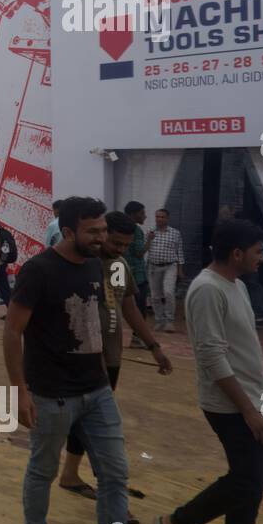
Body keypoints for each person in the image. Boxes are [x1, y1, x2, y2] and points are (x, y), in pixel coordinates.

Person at [3, 196, 134, 524]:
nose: (101, 237)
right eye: (93, 231)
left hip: (96, 392)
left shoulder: (96, 265)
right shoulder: (39, 270)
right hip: (51, 394)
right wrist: (20, 392)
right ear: (69, 230)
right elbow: (12, 331)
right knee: (42, 471)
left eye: (103, 230)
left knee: (116, 474)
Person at [156, 220, 263, 524]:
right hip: (230, 404)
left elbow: (243, 350)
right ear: (237, 253)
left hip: (256, 397)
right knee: (246, 481)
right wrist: (250, 411)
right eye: (258, 252)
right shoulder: (208, 290)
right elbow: (212, 356)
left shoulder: (234, 284)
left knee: (253, 483)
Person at [58, 211, 171, 503]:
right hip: (83, 357)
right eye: (116, 242)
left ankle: (70, 474)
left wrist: (153, 346)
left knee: (88, 421)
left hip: (110, 357)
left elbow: (129, 308)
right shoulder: (82, 264)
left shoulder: (119, 266)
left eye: (125, 245)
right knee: (100, 424)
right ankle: (113, 493)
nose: (120, 249)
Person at [146, 208, 184, 333]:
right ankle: (159, 320)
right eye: (157, 216)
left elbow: (180, 253)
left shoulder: (175, 233)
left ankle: (169, 321)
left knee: (168, 292)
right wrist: (149, 239)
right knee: (155, 296)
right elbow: (144, 249)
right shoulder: (150, 232)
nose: (159, 219)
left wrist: (180, 270)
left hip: (170, 266)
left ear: (167, 218)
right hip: (153, 267)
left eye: (162, 217)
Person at [122, 201, 151, 346]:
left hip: (121, 271)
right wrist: (150, 241)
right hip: (136, 275)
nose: (145, 216)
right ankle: (138, 338)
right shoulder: (136, 230)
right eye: (142, 213)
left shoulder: (119, 227)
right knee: (138, 307)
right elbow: (139, 253)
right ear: (133, 214)